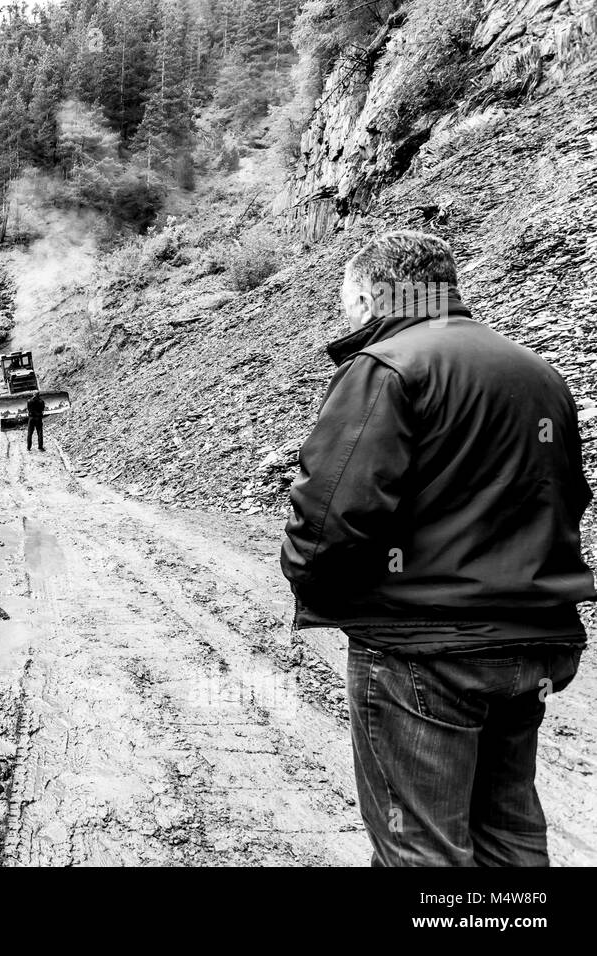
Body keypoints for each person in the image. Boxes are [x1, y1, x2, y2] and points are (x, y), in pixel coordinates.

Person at [280, 230, 594, 867]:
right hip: (531, 640)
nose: (348, 317)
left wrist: (311, 584)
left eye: (348, 303)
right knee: (509, 834)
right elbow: (566, 497)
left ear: (370, 297)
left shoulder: (387, 365)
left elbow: (335, 511)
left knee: (420, 847)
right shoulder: (539, 373)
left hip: (424, 648)